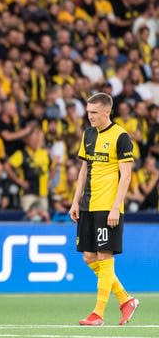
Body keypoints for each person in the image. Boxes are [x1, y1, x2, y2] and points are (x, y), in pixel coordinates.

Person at [70, 93, 139, 326]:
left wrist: (115, 208)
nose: (89, 117)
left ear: (106, 112)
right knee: (88, 257)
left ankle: (98, 314)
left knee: (104, 256)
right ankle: (125, 300)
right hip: (88, 204)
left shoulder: (121, 136)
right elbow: (83, 170)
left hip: (107, 206)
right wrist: (75, 201)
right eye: (88, 112)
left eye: (94, 113)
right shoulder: (87, 134)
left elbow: (126, 175)